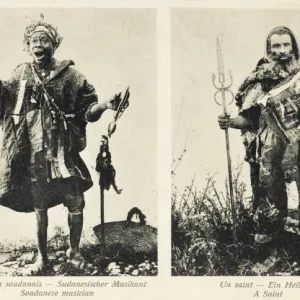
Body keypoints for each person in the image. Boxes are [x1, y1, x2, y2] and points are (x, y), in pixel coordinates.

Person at [0, 19, 123, 273]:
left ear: (54, 44)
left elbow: (87, 110)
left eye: (44, 40)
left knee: (75, 200)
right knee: (39, 206)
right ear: (27, 46)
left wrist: (106, 106)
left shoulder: (71, 76)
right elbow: (5, 104)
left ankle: (74, 252)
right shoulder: (20, 74)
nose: (39, 45)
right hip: (34, 153)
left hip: (62, 150)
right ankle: (42, 259)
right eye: (34, 41)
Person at [218, 26, 300, 269]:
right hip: (270, 152)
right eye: (276, 46)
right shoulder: (260, 78)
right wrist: (230, 121)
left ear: (294, 47)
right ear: (268, 49)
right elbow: (250, 119)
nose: (282, 51)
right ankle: (271, 255)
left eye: (286, 45)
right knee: (269, 200)